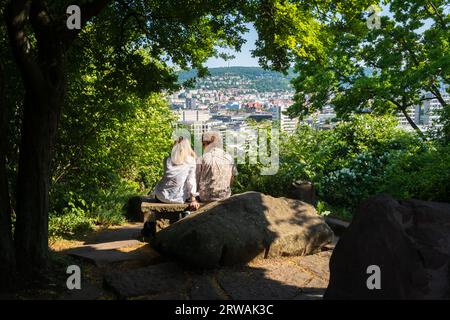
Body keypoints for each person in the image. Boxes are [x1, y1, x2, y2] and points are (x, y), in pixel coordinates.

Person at [152, 136, 200, 211]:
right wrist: (193, 199)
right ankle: (186, 214)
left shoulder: (167, 160)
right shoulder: (190, 161)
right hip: (178, 199)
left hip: (161, 196)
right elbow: (191, 181)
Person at [196, 131, 237, 202]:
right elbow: (232, 179)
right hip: (225, 196)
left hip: (206, 198)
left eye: (203, 144)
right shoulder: (229, 157)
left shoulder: (202, 159)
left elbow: (196, 180)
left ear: (205, 143)